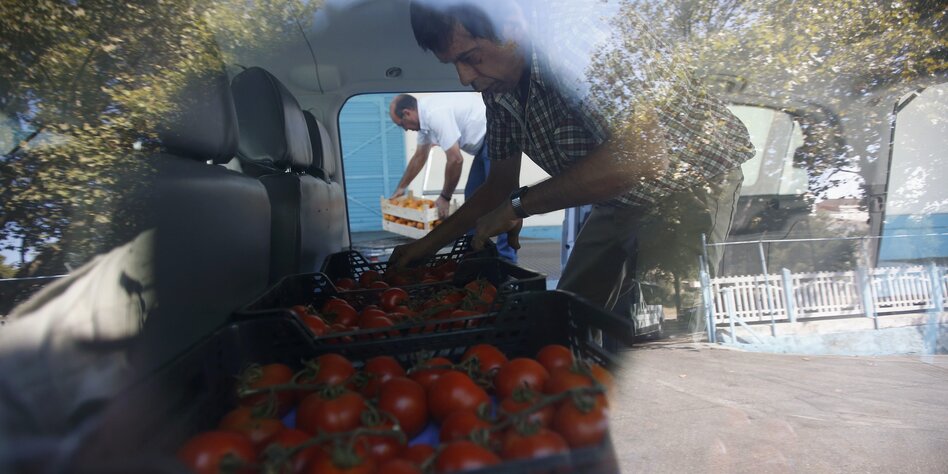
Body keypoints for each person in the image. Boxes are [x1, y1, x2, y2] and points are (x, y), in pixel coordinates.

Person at [389, 0, 755, 316]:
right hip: (618, 197)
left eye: (471, 57)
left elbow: (643, 156)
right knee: (569, 310)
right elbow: (499, 184)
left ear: (511, 23)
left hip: (687, 184)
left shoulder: (580, 41)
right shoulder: (498, 88)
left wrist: (518, 207)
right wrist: (426, 246)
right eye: (454, 63)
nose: (464, 77)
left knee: (662, 324)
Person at [389, 92, 517, 262]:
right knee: (472, 198)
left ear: (407, 113)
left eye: (401, 124)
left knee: (502, 199)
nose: (405, 129)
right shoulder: (424, 122)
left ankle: (507, 259)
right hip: (483, 146)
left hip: (496, 135)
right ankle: (473, 255)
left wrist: (445, 197)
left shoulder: (434, 114)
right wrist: (401, 188)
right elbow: (419, 156)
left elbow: (456, 159)